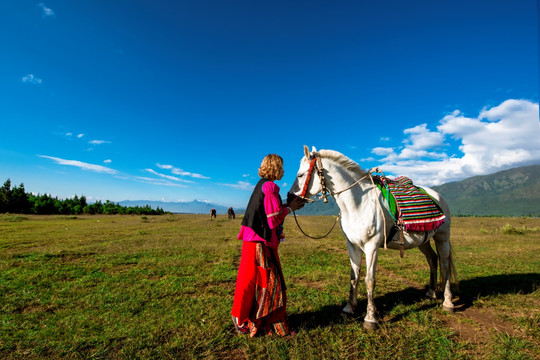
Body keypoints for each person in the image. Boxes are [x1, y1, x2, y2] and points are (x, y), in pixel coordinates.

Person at [231, 154, 306, 338]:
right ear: (276, 168)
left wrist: (289, 205)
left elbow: (268, 211)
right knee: (271, 282)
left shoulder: (262, 185)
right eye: (281, 167)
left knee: (248, 280)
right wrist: (290, 209)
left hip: (252, 239)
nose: (283, 171)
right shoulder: (271, 186)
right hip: (260, 242)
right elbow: (273, 220)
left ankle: (241, 318)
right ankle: (269, 323)